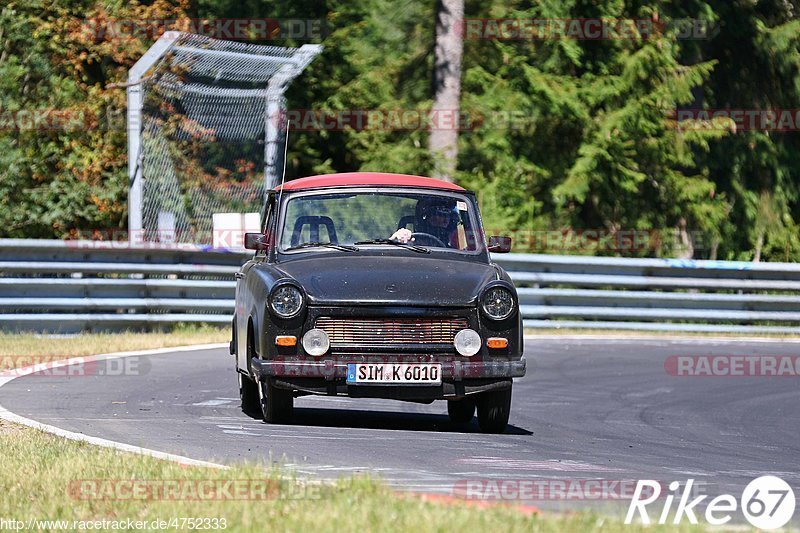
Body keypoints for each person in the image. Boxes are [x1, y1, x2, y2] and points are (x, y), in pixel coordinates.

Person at [390, 197, 460, 247]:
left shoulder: (454, 251)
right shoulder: (409, 244)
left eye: (447, 215)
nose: (444, 220)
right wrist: (399, 237)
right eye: (437, 214)